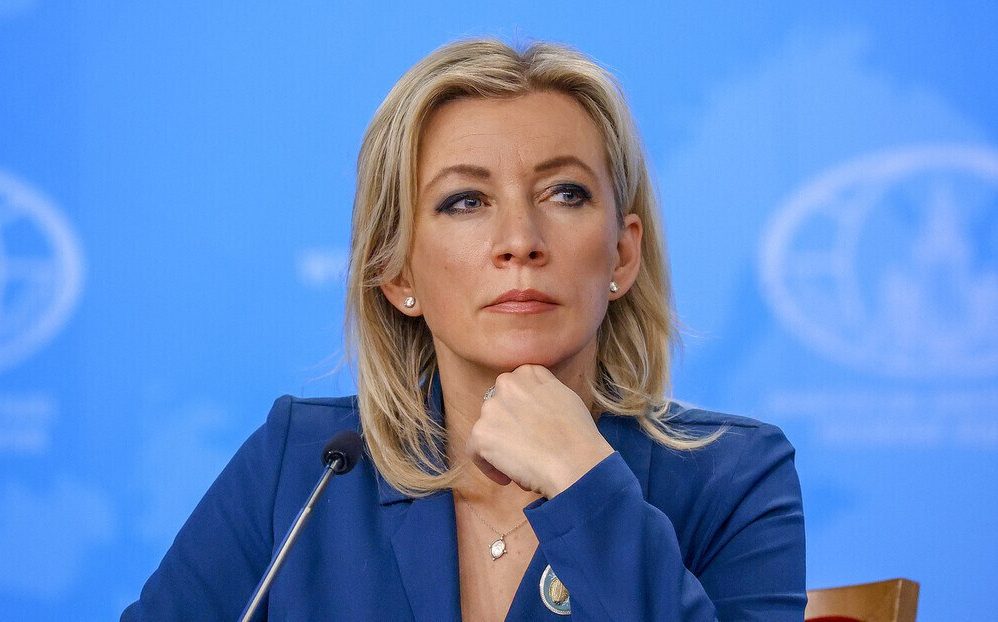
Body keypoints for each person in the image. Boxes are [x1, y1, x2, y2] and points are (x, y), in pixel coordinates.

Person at [122, 39, 805, 620]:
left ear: (623, 255)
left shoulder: (732, 477)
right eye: (465, 201)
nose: (520, 240)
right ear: (398, 273)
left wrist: (582, 480)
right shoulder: (302, 468)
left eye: (564, 193)